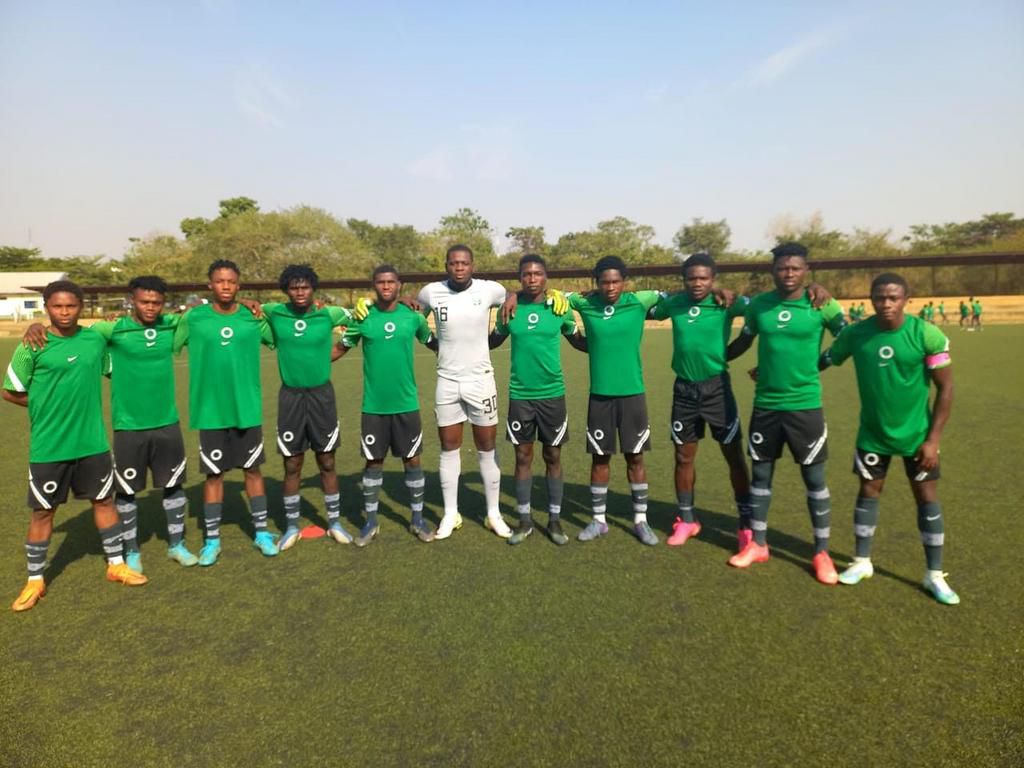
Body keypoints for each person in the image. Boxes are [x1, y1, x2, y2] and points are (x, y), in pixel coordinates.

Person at [22, 276, 200, 571]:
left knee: (173, 485)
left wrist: (246, 301)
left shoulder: (173, 325)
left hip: (167, 421)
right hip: (127, 425)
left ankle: (177, 545)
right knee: (126, 490)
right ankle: (130, 552)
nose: (151, 307)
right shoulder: (110, 329)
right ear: (132, 300)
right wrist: (36, 325)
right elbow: (70, 332)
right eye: (144, 301)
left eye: (156, 302)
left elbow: (211, 312)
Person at [4, 280, 147, 612]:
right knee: (43, 511)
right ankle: (35, 581)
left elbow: (119, 361)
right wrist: (42, 404)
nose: (64, 312)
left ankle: (115, 564)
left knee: (103, 501)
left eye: (71, 306)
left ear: (81, 307)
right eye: (57, 306)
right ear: (46, 308)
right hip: (49, 446)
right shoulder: (32, 344)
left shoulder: (94, 341)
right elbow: (10, 390)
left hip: (92, 443)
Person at [820, 273, 958, 604]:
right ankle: (861, 562)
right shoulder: (856, 334)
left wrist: (933, 440)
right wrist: (775, 370)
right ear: (871, 300)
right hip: (872, 434)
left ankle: (934, 575)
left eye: (893, 297)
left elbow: (947, 388)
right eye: (879, 297)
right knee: (868, 492)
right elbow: (824, 360)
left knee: (926, 497)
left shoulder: (926, 334)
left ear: (906, 299)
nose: (886, 303)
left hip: (917, 437)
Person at [726, 242, 846, 584]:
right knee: (761, 476)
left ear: (806, 270)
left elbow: (848, 338)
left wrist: (819, 364)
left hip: (805, 406)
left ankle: (821, 552)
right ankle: (758, 545)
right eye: (782, 268)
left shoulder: (821, 303)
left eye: (795, 268)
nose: (788, 273)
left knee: (814, 480)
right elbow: (745, 342)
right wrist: (713, 360)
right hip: (766, 405)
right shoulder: (760, 306)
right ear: (773, 271)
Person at [173, 259, 277, 565]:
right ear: (210, 285)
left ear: (239, 285)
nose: (226, 286)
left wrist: (259, 307)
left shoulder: (251, 316)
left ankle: (261, 532)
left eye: (231, 281)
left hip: (247, 408)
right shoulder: (194, 318)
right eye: (220, 281)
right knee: (214, 475)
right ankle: (212, 541)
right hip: (211, 412)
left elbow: (276, 332)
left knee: (253, 470)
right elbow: (164, 338)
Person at [650, 253, 754, 549]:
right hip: (684, 390)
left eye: (703, 278)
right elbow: (646, 309)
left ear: (713, 279)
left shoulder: (727, 303)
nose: (697, 283)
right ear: (683, 280)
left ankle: (746, 523)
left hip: (717, 389)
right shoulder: (675, 302)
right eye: (691, 278)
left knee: (732, 455)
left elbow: (759, 310)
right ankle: (686, 519)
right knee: (683, 456)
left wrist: (728, 354)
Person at [415, 245, 513, 540]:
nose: (459, 267)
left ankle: (493, 514)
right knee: (449, 448)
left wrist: (514, 296)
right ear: (446, 265)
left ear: (473, 265)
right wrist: (433, 343)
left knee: (486, 447)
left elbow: (509, 295)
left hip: (480, 380)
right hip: (446, 380)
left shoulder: (489, 290)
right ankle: (450, 514)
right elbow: (413, 315)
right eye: (454, 263)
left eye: (465, 263)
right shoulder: (431, 292)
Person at [333, 265, 436, 545]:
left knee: (412, 460)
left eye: (391, 282)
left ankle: (417, 519)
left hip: (406, 403)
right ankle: (371, 522)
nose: (386, 286)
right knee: (373, 461)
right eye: (381, 282)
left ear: (399, 285)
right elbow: (339, 349)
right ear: (374, 285)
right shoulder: (362, 319)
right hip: (374, 406)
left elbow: (436, 344)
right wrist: (306, 363)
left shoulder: (412, 318)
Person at [489, 254, 587, 545]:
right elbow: (493, 341)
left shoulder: (560, 309)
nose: (532, 279)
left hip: (552, 395)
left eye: (537, 274)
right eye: (527, 274)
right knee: (522, 456)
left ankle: (554, 520)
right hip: (521, 395)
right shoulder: (510, 311)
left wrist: (608, 343)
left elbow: (578, 341)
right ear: (520, 278)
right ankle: (524, 519)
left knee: (553, 455)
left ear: (546, 277)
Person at [568, 256, 661, 545]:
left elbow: (670, 296)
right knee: (600, 457)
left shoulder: (639, 301)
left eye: (615, 281)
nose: (610, 287)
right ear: (596, 283)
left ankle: (640, 521)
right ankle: (598, 520)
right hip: (600, 396)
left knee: (635, 457)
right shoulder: (585, 304)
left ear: (624, 281)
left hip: (633, 394)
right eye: (604, 282)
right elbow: (558, 297)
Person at [262, 264, 354, 549]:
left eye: (304, 287)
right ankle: (291, 526)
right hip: (290, 397)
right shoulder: (275, 312)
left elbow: (360, 318)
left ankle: (335, 523)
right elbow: (249, 307)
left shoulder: (329, 314)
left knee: (327, 460)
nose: (299, 292)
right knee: (293, 463)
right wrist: (250, 304)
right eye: (294, 287)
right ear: (286, 290)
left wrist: (338, 350)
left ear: (313, 288)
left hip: (321, 396)